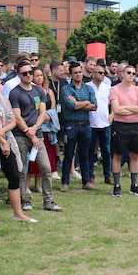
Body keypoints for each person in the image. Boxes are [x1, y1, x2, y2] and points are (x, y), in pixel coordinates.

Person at [0, 67, 36, 223]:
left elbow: (12, 120)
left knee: (14, 176)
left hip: (7, 138)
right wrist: (1, 138)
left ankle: (18, 212)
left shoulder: (4, 99)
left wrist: (3, 132)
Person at [10, 62, 62, 212]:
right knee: (22, 169)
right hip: (21, 136)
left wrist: (35, 128)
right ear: (19, 75)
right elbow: (17, 116)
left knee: (46, 168)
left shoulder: (39, 91)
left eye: (30, 72)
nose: (28, 75)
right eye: (24, 73)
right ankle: (24, 199)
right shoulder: (15, 93)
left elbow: (42, 113)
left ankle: (49, 201)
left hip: (37, 134)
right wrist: (28, 131)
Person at [109, 63, 138, 198]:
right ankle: (117, 185)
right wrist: (134, 108)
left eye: (133, 73)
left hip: (135, 126)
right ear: (122, 74)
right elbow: (117, 109)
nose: (131, 75)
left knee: (134, 155)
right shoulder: (115, 89)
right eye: (129, 73)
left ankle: (134, 185)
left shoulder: (137, 89)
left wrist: (127, 108)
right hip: (120, 126)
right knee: (118, 155)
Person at [60, 61, 97, 191]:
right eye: (75, 73)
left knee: (85, 154)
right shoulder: (66, 89)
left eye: (80, 72)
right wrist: (85, 104)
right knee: (69, 154)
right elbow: (71, 106)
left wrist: (80, 103)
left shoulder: (88, 88)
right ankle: (65, 182)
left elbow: (94, 106)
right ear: (70, 74)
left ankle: (86, 181)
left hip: (86, 125)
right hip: (71, 126)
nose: (78, 75)